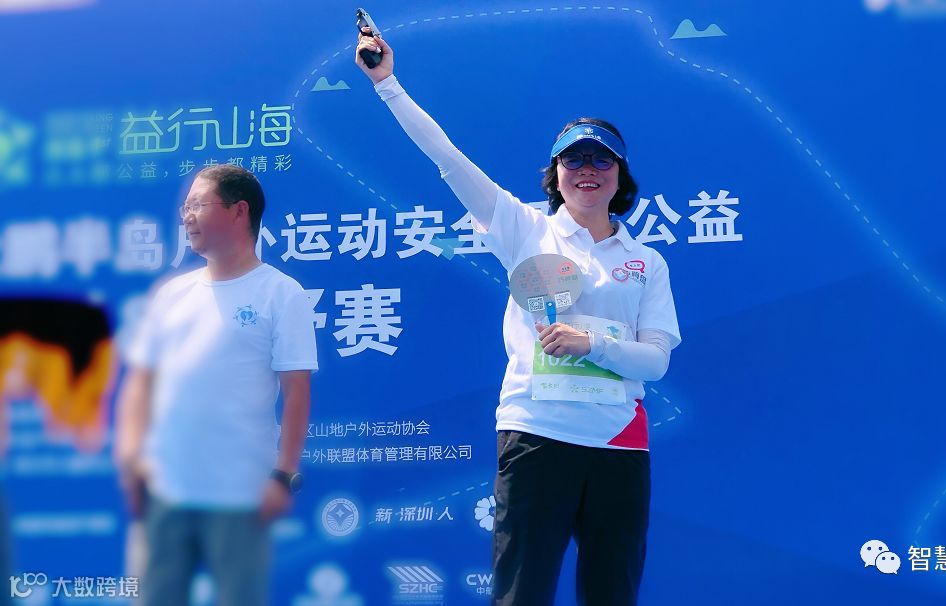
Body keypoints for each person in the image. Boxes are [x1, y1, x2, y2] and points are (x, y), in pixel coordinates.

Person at [355, 28, 681, 606]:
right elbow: (447, 159)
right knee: (521, 594)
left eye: (601, 158)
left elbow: (655, 362)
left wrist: (591, 344)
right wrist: (388, 85)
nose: (587, 168)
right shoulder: (523, 228)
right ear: (555, 173)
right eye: (573, 158)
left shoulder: (646, 261)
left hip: (619, 444)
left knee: (613, 593)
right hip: (536, 434)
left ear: (620, 174)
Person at [113, 164, 318, 606]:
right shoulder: (171, 294)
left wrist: (283, 475)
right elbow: (140, 383)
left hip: (241, 493)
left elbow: (296, 393)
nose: (186, 217)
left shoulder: (282, 293)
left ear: (239, 211)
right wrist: (131, 457)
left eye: (197, 205)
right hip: (166, 489)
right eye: (184, 208)